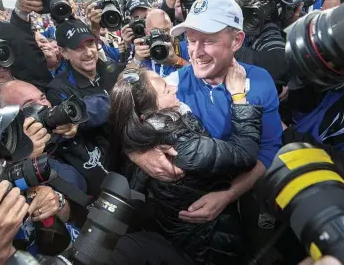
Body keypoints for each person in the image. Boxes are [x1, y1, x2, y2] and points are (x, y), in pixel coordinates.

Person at [127, 0, 282, 240]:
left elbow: (270, 147)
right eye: (191, 40)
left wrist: (230, 195)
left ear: (237, 40)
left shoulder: (260, 82)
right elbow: (121, 119)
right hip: (185, 218)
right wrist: (139, 154)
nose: (196, 52)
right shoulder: (173, 85)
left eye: (208, 41)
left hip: (244, 202)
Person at [110, 67, 263, 264]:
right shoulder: (181, 147)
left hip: (181, 233)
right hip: (208, 243)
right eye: (165, 89)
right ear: (147, 114)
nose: (173, 87)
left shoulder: (143, 134)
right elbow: (246, 153)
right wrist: (239, 96)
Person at [45, 19, 122, 195]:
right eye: (79, 48)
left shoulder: (112, 69)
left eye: (90, 44)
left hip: (131, 154)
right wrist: (77, 118)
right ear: (64, 52)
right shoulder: (57, 89)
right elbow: (68, 129)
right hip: (104, 173)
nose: (88, 53)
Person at [127, 9, 190, 77]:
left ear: (172, 26)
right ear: (146, 32)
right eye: (156, 32)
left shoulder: (186, 48)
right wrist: (137, 60)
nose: (162, 36)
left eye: (166, 30)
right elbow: (124, 83)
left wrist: (176, 61)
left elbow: (200, 78)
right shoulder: (142, 52)